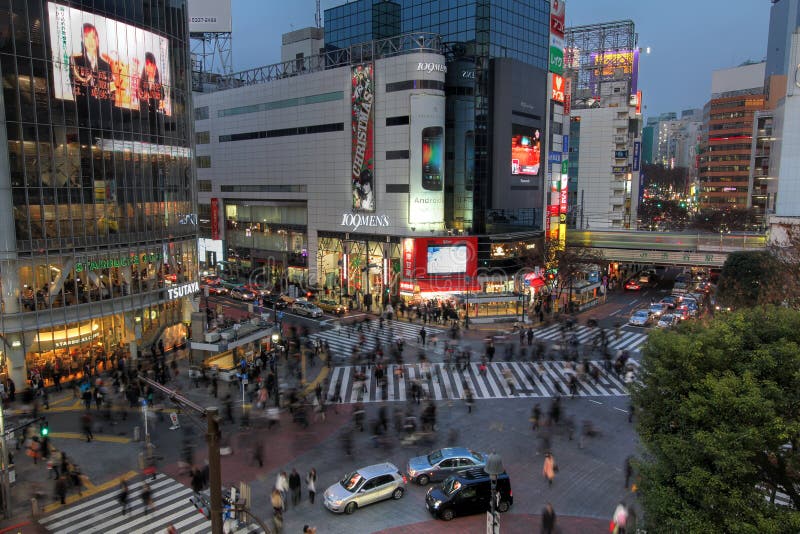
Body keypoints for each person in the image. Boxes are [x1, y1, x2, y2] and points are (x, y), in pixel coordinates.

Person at [69, 23, 114, 126]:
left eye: (93, 37)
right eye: (86, 37)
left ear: (98, 40)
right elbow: (74, 87)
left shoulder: (106, 65)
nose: (90, 41)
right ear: (82, 40)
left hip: (104, 118)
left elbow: (111, 93)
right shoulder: (75, 60)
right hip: (84, 115)